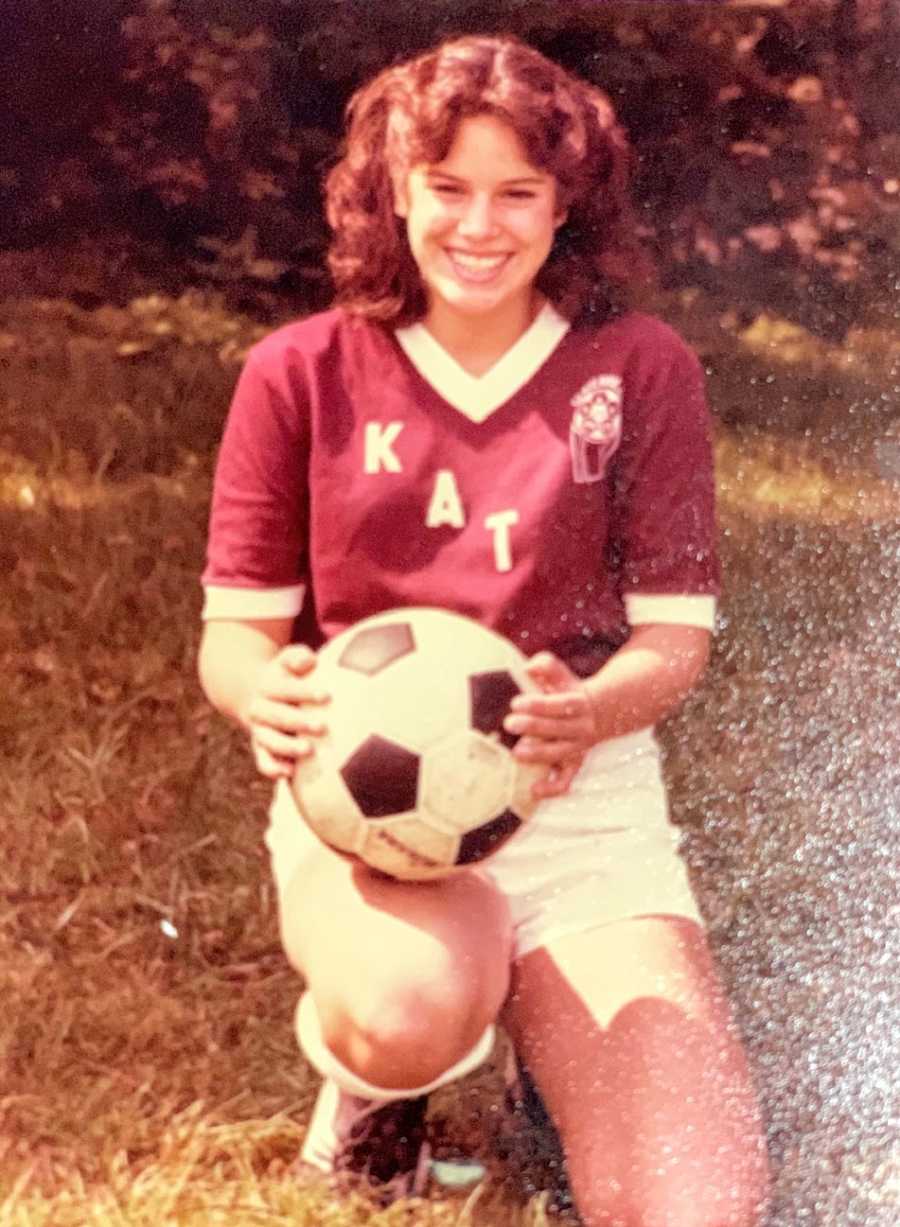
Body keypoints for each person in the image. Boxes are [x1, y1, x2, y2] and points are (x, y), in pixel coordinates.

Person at [198, 33, 770, 1227]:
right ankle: (377, 1090)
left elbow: (674, 645)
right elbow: (235, 639)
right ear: (393, 189)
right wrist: (268, 698)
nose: (480, 225)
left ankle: (544, 1072)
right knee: (410, 1011)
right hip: (373, 819)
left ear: (568, 206)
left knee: (699, 1207)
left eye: (519, 193)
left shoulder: (639, 368)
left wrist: (591, 711)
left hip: (580, 796)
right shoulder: (299, 370)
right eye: (448, 187)